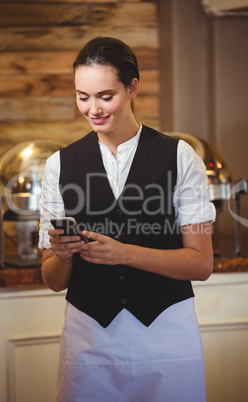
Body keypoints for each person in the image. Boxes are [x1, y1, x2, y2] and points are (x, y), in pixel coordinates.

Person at [39, 36, 216, 402]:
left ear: (132, 87)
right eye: (82, 96)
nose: (93, 109)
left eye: (106, 96)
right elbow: (52, 280)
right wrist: (63, 253)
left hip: (167, 340)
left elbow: (201, 263)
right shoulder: (58, 166)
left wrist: (124, 253)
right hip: (89, 344)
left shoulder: (181, 158)